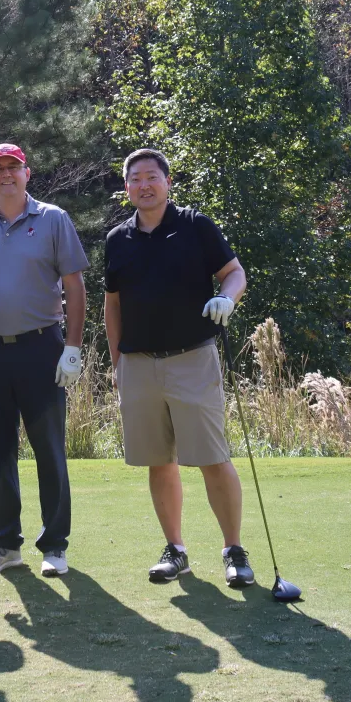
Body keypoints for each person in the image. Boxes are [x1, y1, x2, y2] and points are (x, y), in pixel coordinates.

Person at [103, 149, 254, 587]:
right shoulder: (117, 239)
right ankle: (176, 550)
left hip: (193, 358)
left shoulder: (195, 226)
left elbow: (235, 273)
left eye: (152, 177)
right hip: (138, 364)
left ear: (167, 182)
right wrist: (117, 363)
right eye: (136, 179)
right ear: (127, 187)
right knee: (158, 461)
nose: (144, 185)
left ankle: (233, 549)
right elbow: (112, 306)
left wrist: (228, 298)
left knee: (212, 457)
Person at [0, 142, 89, 578]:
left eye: (14, 167)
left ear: (27, 173)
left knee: (49, 448)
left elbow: (75, 285)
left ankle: (55, 545)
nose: (6, 175)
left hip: (42, 347)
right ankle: (6, 545)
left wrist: (73, 347)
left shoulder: (53, 219)